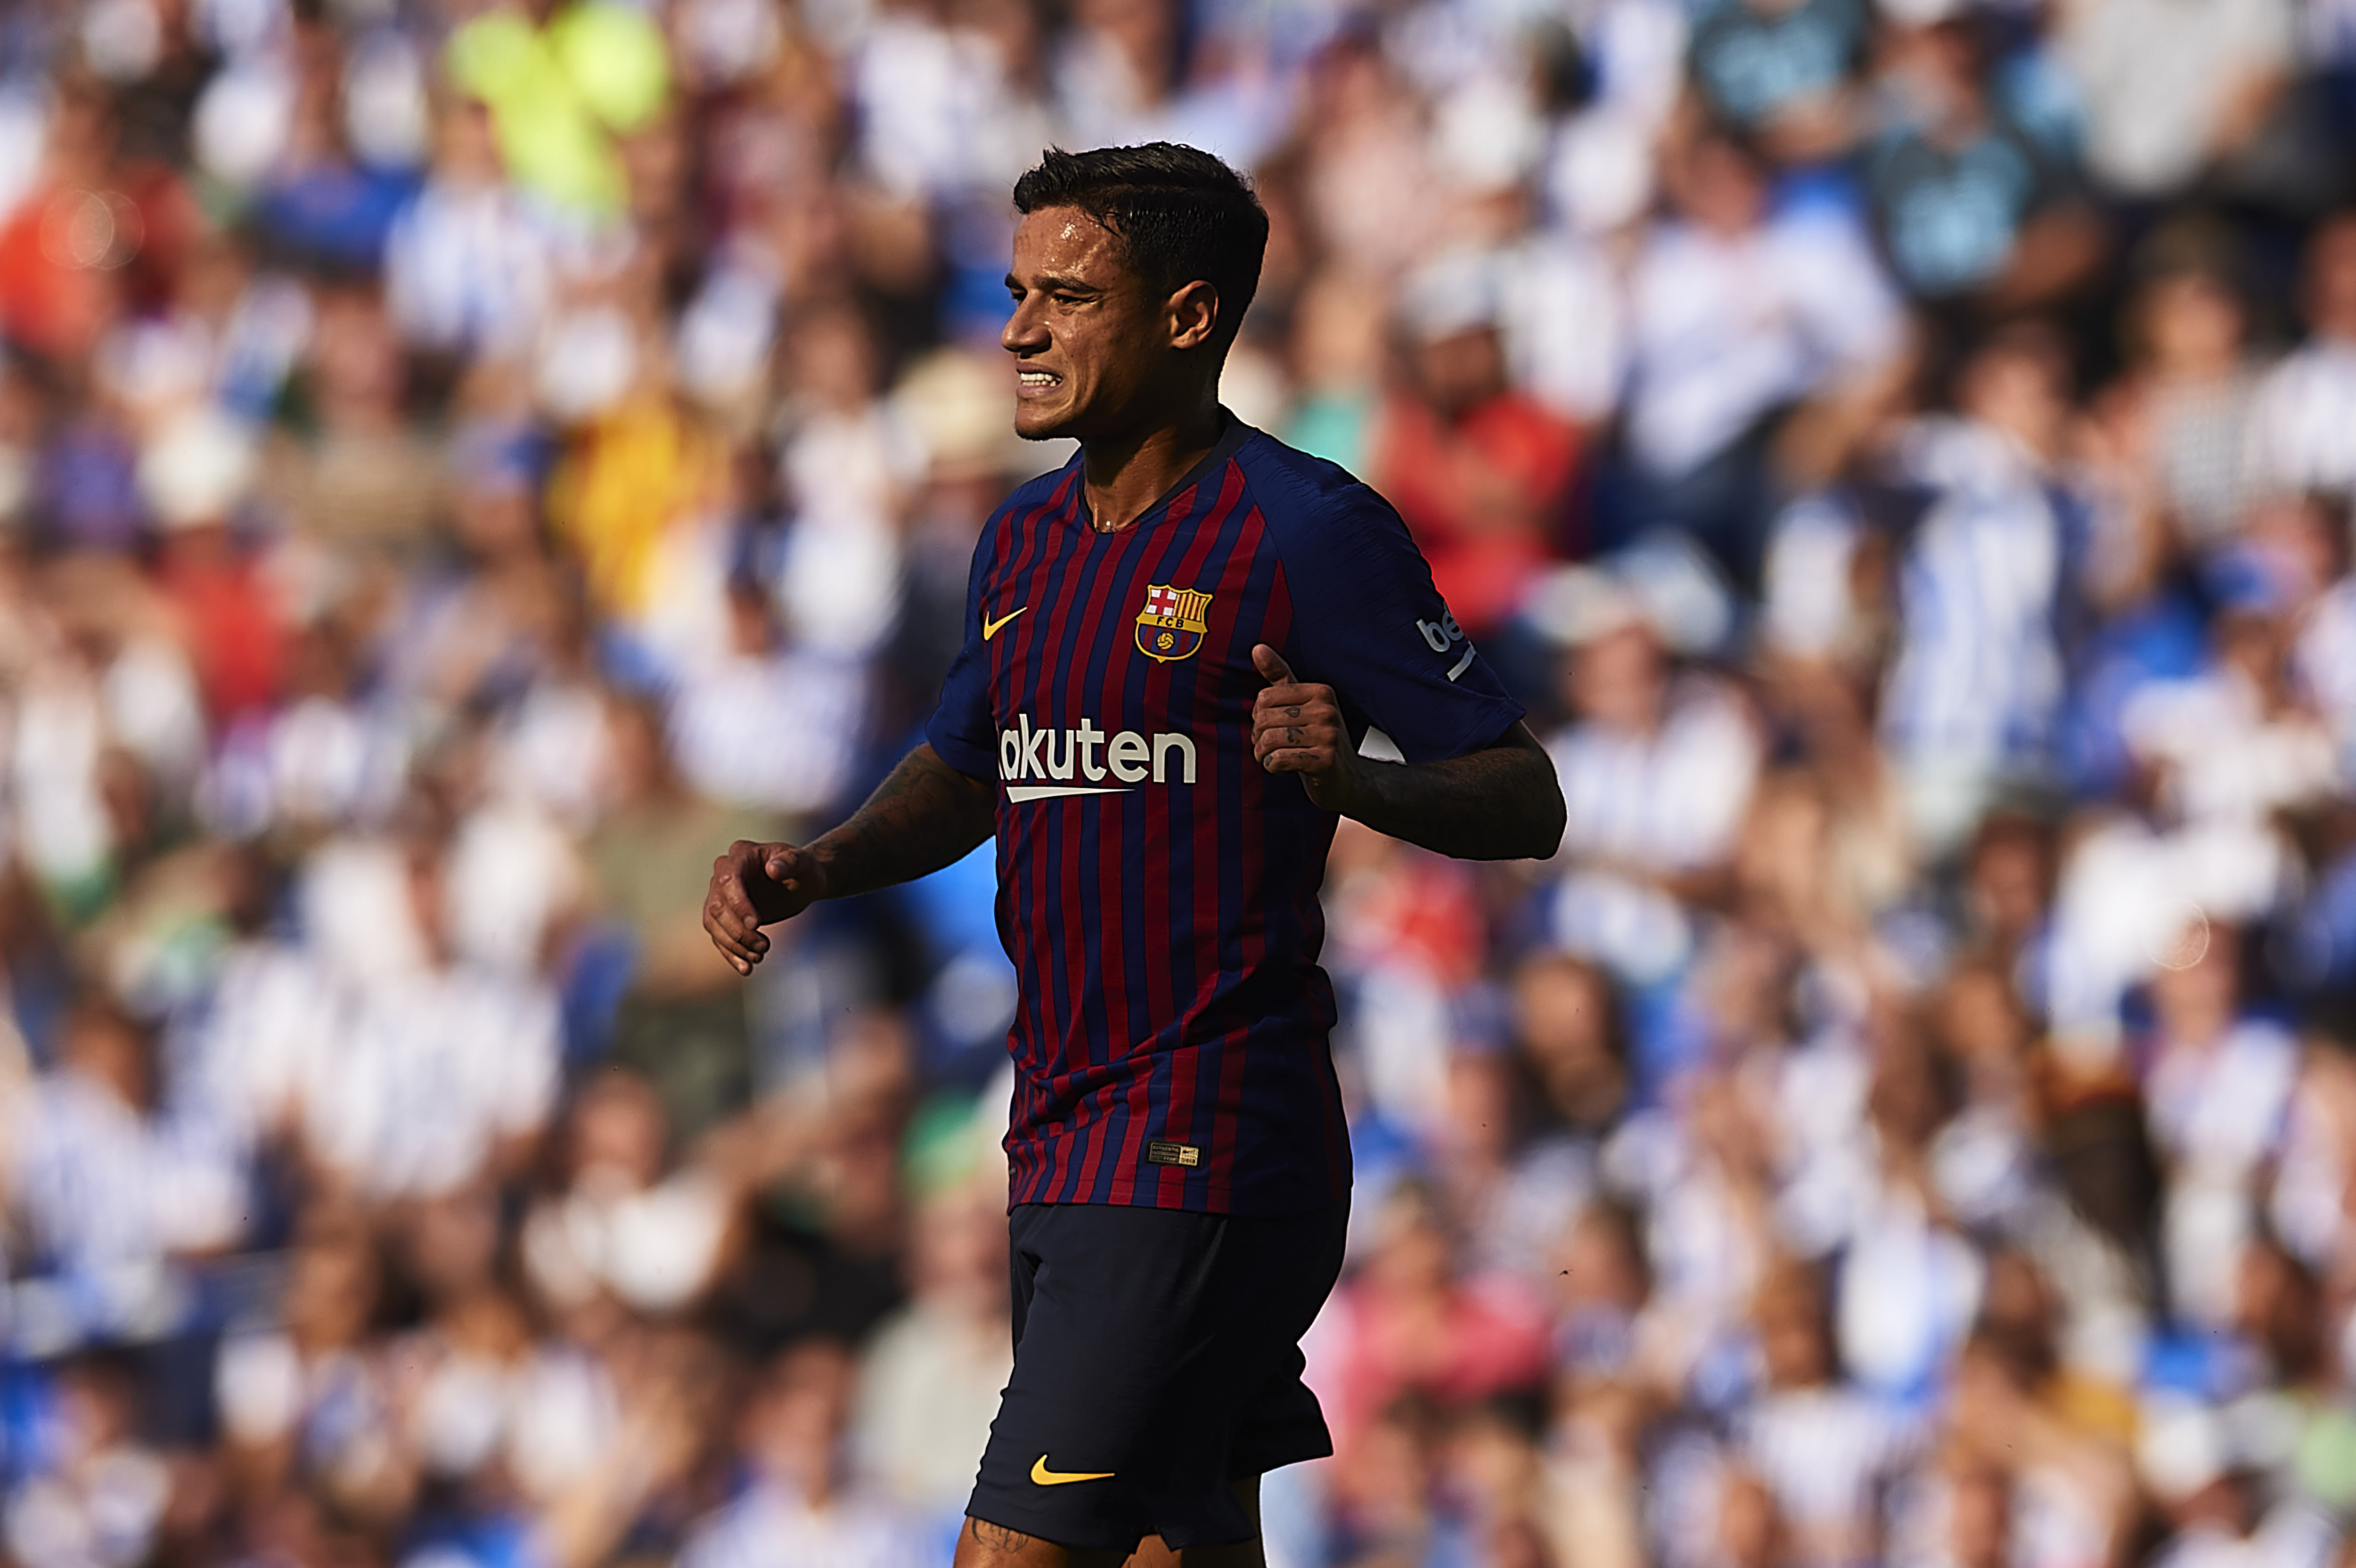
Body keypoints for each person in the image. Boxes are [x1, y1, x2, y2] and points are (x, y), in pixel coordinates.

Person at [701, 142, 1566, 1568]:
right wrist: (823, 865)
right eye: (1016, 293)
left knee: (1014, 1558)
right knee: (1183, 1549)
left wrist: (1347, 777)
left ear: (1188, 316)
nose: (1019, 330)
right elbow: (972, 764)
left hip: (1206, 1136)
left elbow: (1522, 792)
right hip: (1059, 1132)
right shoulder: (1023, 542)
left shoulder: (1307, 530)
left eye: (1067, 297)